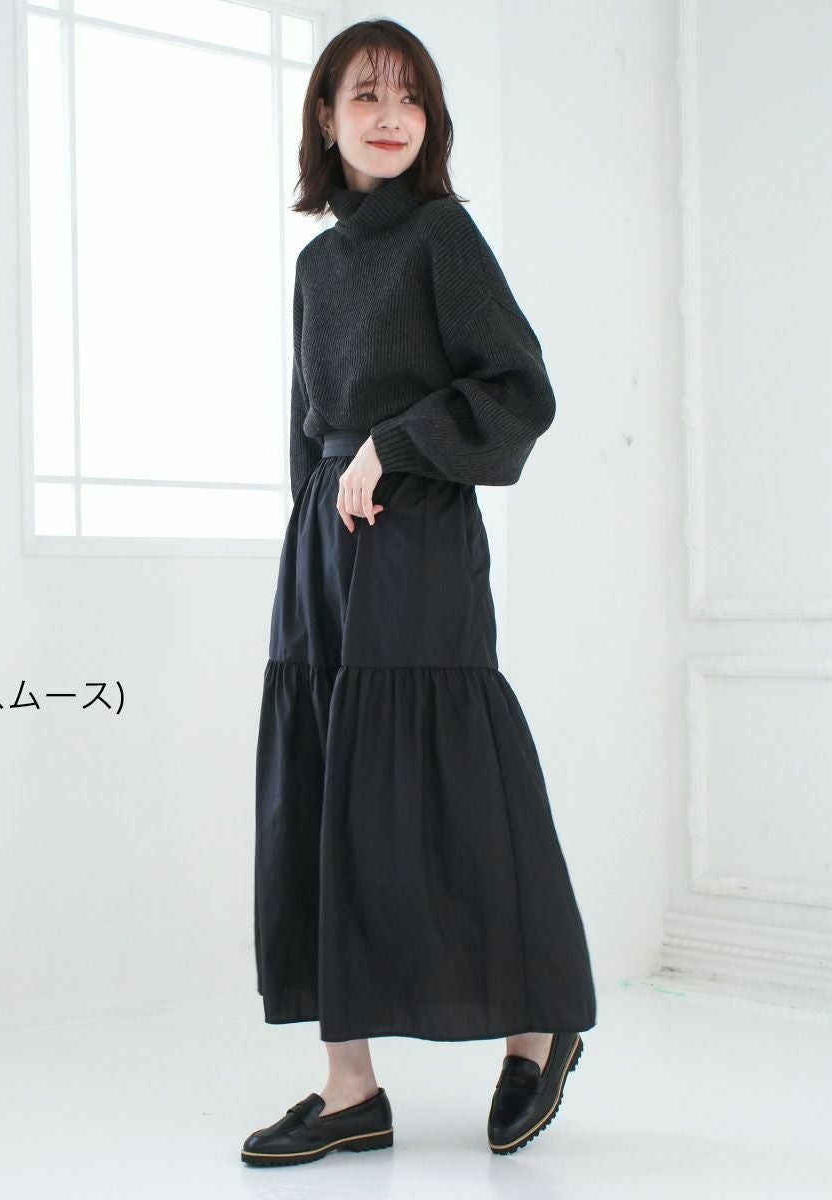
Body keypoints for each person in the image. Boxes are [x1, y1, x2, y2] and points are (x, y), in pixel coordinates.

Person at [244, 18, 597, 1167]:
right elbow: (305, 424)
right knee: (323, 787)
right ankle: (349, 1086)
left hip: (422, 534)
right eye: (366, 94)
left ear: (431, 121)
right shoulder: (317, 266)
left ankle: (538, 1027)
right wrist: (309, 539)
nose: (389, 114)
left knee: (453, 782)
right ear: (327, 117)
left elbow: (520, 388)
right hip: (325, 547)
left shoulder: (443, 235)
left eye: (409, 97)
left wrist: (395, 445)